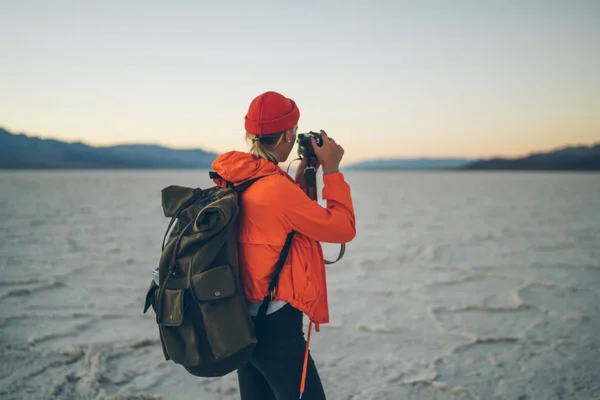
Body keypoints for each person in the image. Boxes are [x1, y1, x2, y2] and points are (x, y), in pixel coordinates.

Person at [210, 91, 356, 400]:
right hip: (276, 328)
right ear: (289, 134)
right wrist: (332, 170)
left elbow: (282, 217)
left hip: (240, 320)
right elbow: (342, 229)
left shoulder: (237, 177)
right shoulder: (275, 188)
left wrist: (306, 173)